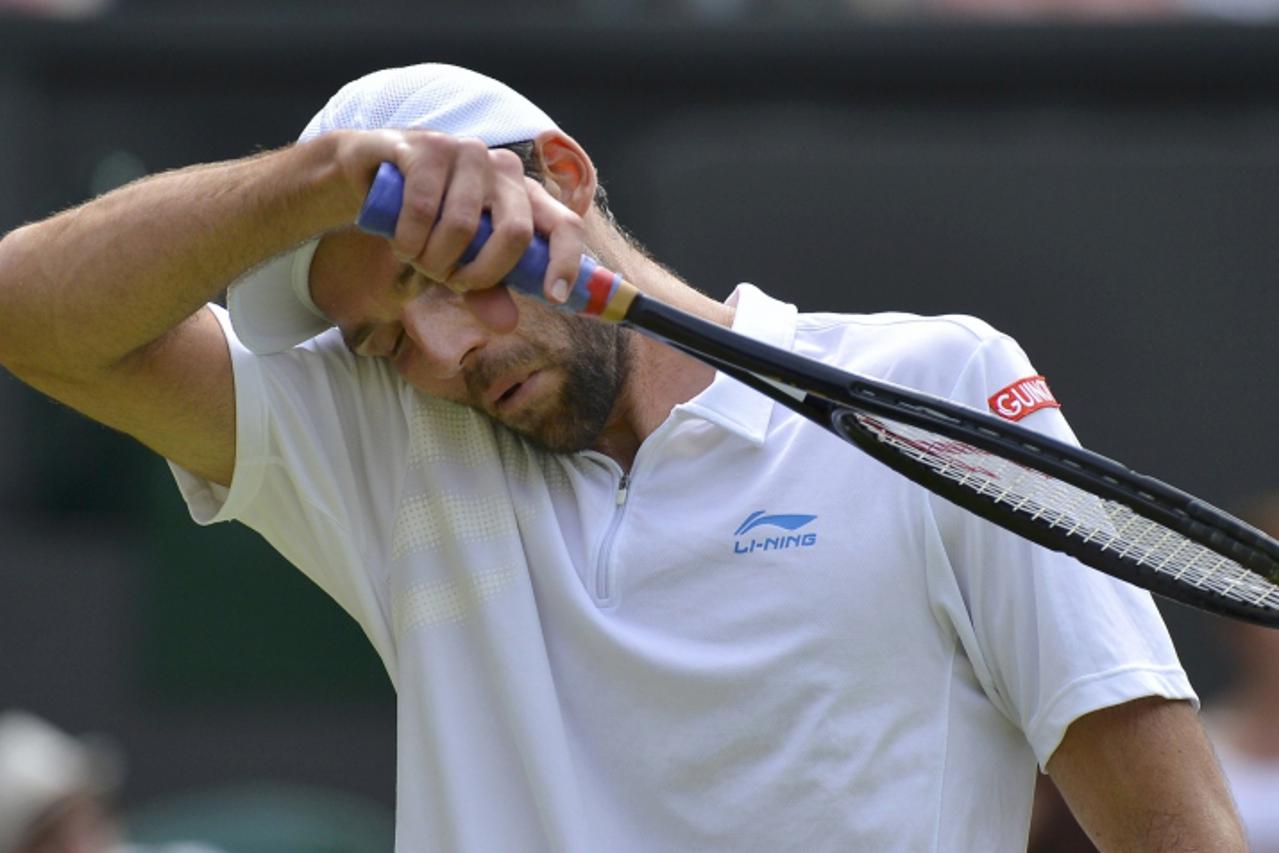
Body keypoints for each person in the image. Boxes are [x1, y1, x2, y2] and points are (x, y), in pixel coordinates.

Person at [0, 62, 1245, 851]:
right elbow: (29, 315)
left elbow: (1172, 829)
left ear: (563, 179)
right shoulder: (387, 438)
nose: (440, 354)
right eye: (382, 337)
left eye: (441, 276)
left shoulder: (939, 380)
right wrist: (319, 181)